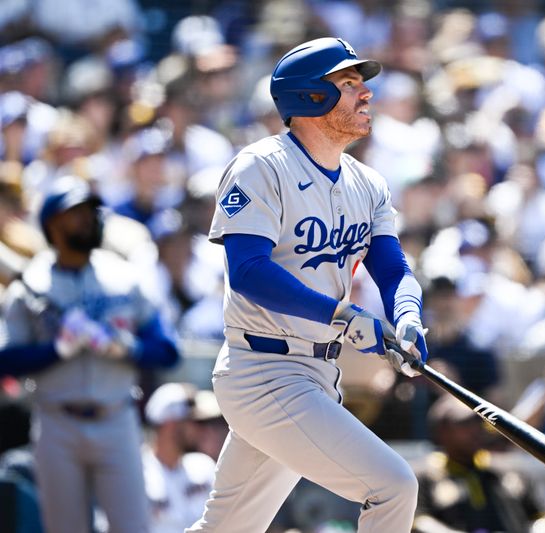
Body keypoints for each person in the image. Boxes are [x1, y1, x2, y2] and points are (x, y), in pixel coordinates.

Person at [189, 37, 429, 533]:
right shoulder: (261, 166)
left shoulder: (368, 182)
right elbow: (249, 271)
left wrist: (406, 316)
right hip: (265, 370)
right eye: (348, 83)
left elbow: (392, 269)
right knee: (394, 487)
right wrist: (341, 317)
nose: (365, 94)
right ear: (310, 97)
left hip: (315, 372)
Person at [0, 175, 180, 533]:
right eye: (76, 213)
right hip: (56, 421)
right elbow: (7, 360)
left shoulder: (125, 277)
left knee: (133, 527)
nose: (88, 219)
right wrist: (57, 349)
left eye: (90, 211)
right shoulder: (31, 285)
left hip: (117, 417)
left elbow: (168, 351)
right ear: (53, 224)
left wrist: (127, 347)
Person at [413, 395, 545, 533]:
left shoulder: (509, 471)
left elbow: (542, 516)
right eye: (465, 423)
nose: (476, 429)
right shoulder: (424, 477)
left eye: (478, 422)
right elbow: (418, 522)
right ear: (441, 431)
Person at [143, 382, 217, 533]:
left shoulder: (203, 466)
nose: (202, 430)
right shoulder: (136, 475)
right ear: (171, 425)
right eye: (195, 422)